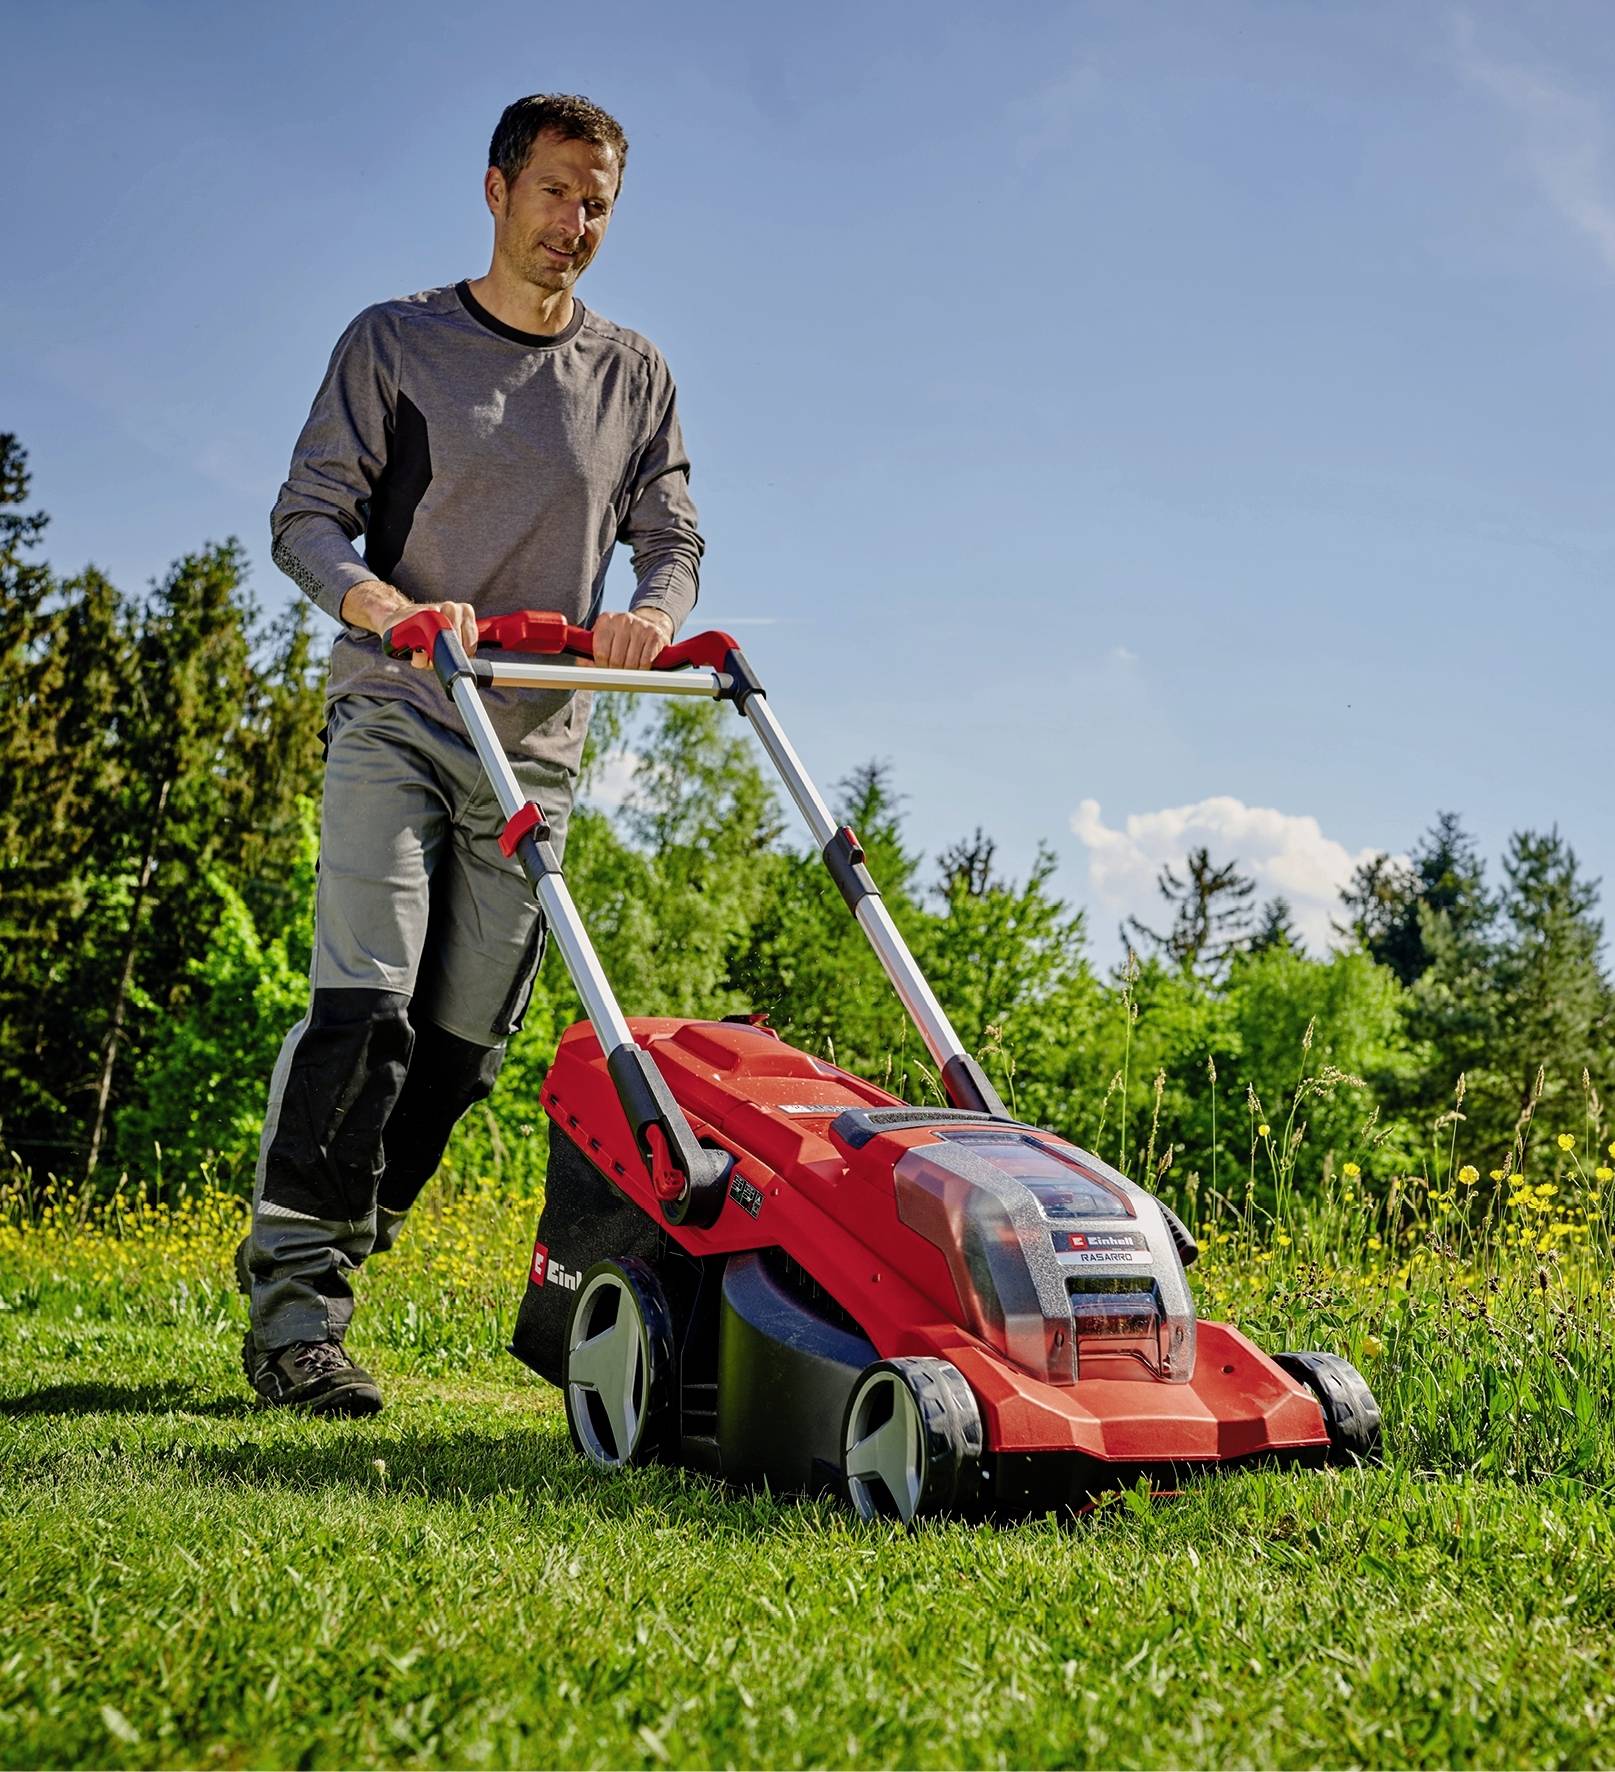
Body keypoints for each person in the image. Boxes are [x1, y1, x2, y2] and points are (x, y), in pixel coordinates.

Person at [237, 92, 703, 1414]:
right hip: (399, 710)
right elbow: (308, 519)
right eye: (555, 192)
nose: (576, 223)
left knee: (459, 1052)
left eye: (599, 201)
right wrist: (385, 610)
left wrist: (649, 620)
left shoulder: (633, 376)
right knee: (365, 1011)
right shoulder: (396, 342)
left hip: (535, 746)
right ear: (496, 191)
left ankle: (332, 1231)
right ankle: (295, 1312)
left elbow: (672, 537)